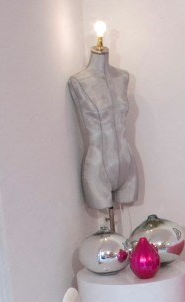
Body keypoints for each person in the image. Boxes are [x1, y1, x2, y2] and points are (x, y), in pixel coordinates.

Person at [68, 43, 138, 210]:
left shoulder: (123, 77)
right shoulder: (79, 81)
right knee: (107, 232)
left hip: (127, 162)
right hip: (98, 165)